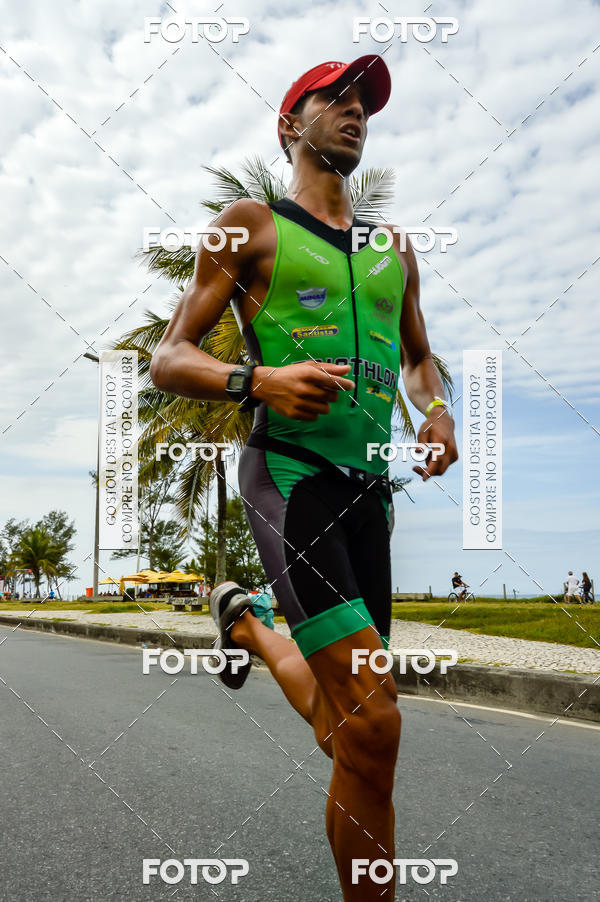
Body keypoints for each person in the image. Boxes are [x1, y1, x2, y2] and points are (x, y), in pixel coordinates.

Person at [150, 53, 458, 901]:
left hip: (370, 498)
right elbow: (166, 357)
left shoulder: (393, 250)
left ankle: (247, 626)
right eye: (337, 100)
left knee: (351, 729)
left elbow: (421, 361)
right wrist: (259, 381)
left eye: (365, 104)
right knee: (378, 722)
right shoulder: (248, 225)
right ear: (292, 126)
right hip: (291, 478)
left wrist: (436, 412)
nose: (356, 112)